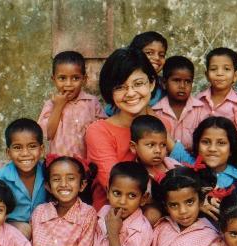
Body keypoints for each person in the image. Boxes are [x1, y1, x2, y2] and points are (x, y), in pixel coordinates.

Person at [85, 47, 158, 211]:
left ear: (152, 84)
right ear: (110, 92)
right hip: (113, 218)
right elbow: (116, 188)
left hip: (161, 215)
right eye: (120, 87)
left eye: (138, 84)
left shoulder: (162, 125)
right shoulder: (99, 131)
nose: (131, 93)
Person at [18, 154, 97, 246]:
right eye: (56, 179)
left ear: (82, 185)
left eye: (71, 178)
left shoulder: (87, 213)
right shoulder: (40, 212)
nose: (64, 184)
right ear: (48, 186)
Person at [132, 166, 218, 246]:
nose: (183, 211)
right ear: (166, 206)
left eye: (189, 202)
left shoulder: (210, 235)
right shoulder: (161, 225)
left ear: (200, 201)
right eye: (174, 205)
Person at [90, 161, 153, 246]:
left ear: (143, 198)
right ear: (108, 192)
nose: (122, 201)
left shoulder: (141, 229)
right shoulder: (105, 211)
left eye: (132, 196)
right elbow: (95, 242)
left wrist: (113, 233)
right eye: (117, 193)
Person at [170, 116, 237, 221]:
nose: (212, 149)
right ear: (197, 145)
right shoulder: (189, 163)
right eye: (206, 142)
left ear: (231, 148)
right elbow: (160, 133)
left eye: (221, 143)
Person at [38, 51, 106, 158]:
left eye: (75, 78)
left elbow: (103, 132)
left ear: (84, 79)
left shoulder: (92, 103)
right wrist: (58, 106)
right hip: (58, 165)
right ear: (54, 79)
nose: (68, 84)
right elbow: (48, 134)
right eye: (62, 78)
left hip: (85, 165)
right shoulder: (50, 104)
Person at [0, 118, 46, 239]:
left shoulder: (49, 174)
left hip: (43, 229)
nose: (25, 153)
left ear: (42, 150)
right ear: (8, 152)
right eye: (18, 147)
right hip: (9, 229)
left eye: (32, 146)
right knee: (24, 230)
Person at [130, 114, 180, 225]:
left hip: (179, 209)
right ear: (134, 147)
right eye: (151, 145)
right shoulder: (134, 174)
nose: (158, 150)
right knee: (152, 214)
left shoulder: (173, 165)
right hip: (153, 215)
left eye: (163, 145)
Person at [105, 31, 167, 116]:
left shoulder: (165, 87)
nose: (156, 58)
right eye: (149, 53)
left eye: (161, 55)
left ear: (152, 84)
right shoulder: (119, 87)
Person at [152, 55, 201, 151]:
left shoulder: (201, 110)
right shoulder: (155, 112)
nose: (182, 86)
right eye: (176, 80)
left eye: (187, 81)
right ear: (164, 83)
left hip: (194, 163)